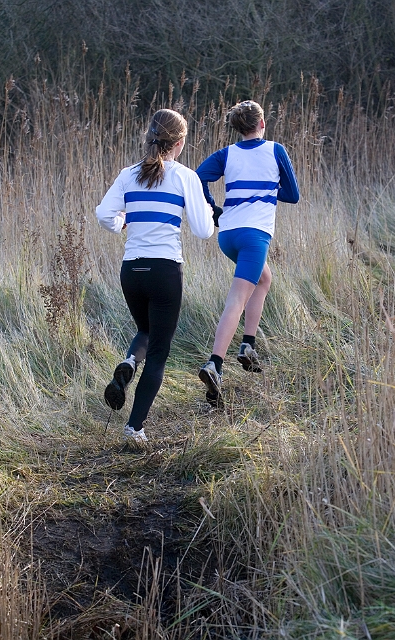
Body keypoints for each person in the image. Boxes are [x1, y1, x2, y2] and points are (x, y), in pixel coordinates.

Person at [96, 109, 214, 442]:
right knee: (160, 351)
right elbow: (204, 231)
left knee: (146, 329)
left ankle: (130, 362)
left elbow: (104, 215)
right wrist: (206, 208)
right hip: (164, 271)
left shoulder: (127, 174)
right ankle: (134, 428)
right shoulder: (185, 177)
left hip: (131, 270)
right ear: (179, 143)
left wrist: (123, 224)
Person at [196, 100, 299, 405]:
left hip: (228, 234)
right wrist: (268, 188)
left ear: (238, 128)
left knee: (264, 279)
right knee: (237, 298)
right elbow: (293, 195)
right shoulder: (276, 150)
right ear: (262, 124)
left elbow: (198, 177)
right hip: (255, 236)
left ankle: (248, 346)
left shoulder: (226, 154)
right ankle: (215, 363)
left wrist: (213, 209)